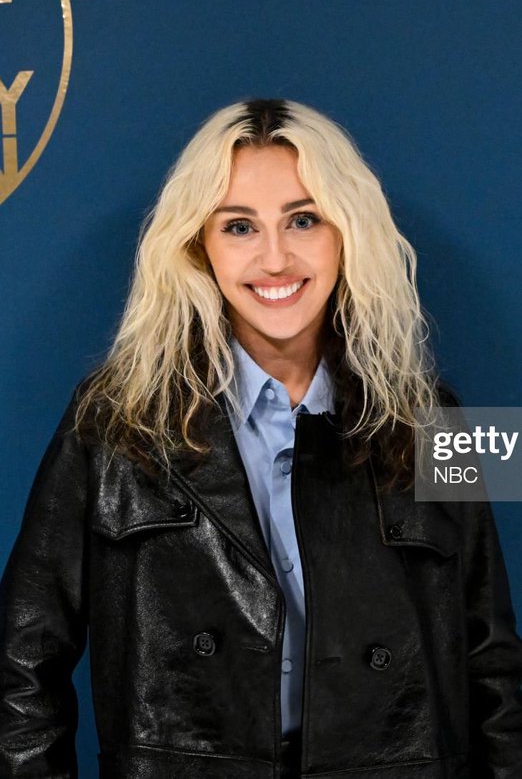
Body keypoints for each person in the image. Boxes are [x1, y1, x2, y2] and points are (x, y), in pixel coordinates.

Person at [1, 98, 521, 779]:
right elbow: (22, 663)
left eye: (304, 219)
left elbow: (495, 661)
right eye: (239, 226)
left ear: (347, 233)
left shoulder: (438, 416)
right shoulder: (111, 417)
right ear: (199, 247)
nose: (275, 259)